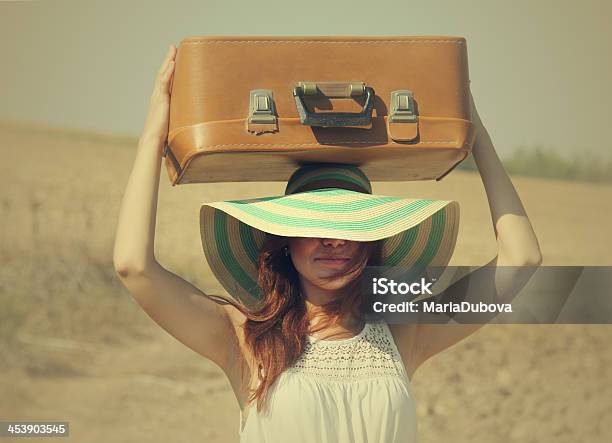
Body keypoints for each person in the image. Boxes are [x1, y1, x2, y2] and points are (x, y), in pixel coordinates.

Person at [113, 45, 543, 442]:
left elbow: (521, 260)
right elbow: (134, 267)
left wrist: (477, 135)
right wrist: (153, 135)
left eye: (355, 228)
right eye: (313, 226)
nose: (334, 241)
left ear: (372, 243)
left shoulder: (404, 332)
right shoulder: (244, 339)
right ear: (284, 242)